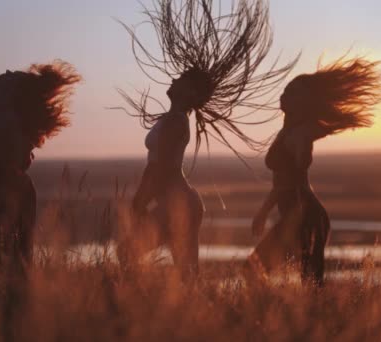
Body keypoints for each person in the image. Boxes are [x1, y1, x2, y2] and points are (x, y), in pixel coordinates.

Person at [115, 0, 298, 276]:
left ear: (191, 94)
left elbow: (161, 167)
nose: (175, 79)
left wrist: (140, 201)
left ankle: (136, 308)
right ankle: (185, 315)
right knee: (185, 271)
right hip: (181, 201)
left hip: (177, 202)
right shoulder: (172, 119)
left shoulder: (177, 121)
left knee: (129, 252)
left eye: (182, 79)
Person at [249, 56, 381, 284]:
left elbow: (287, 182)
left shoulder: (299, 134)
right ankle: (285, 316)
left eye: (292, 93)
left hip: (305, 215)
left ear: (303, 102)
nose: (284, 96)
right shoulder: (287, 132)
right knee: (307, 280)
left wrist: (263, 212)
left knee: (297, 278)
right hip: (298, 214)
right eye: (285, 91)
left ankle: (288, 316)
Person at [0, 61, 81, 268]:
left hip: (7, 188)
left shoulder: (1, 117)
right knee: (11, 245)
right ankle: (16, 288)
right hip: (5, 186)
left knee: (10, 245)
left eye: (11, 77)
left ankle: (16, 289)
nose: (6, 73)